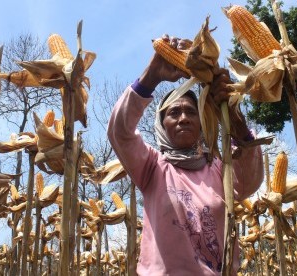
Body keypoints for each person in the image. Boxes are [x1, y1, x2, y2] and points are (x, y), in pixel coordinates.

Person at [107, 35, 264, 275]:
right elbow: (120, 131)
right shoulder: (152, 167)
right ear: (162, 125)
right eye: (174, 113)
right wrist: (152, 75)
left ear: (202, 123)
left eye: (191, 111)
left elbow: (250, 182)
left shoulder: (219, 169)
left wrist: (233, 115)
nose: (183, 118)